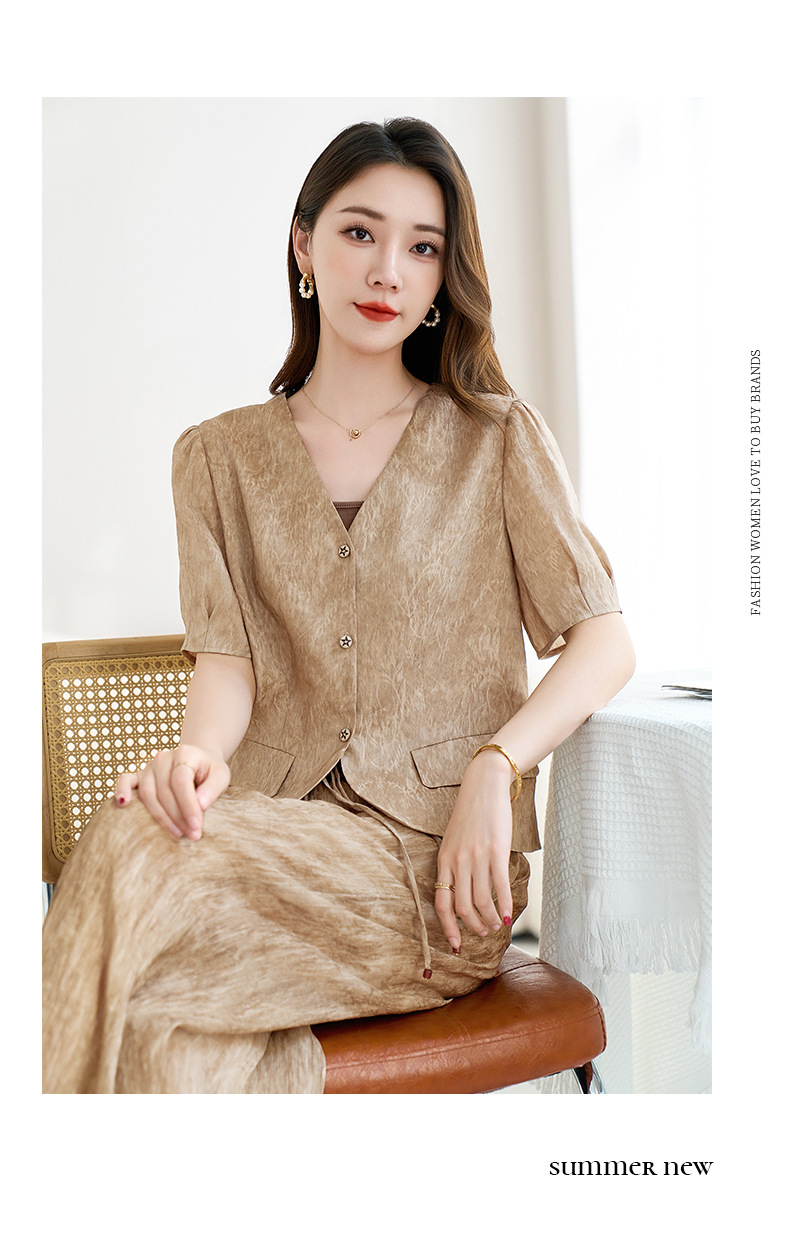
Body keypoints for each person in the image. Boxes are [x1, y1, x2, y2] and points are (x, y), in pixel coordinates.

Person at [42, 117, 635, 1094]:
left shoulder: (496, 439)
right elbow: (227, 660)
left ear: (442, 278)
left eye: (423, 247)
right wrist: (198, 754)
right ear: (304, 244)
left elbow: (604, 640)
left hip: (437, 888)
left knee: (133, 850)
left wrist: (496, 766)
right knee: (158, 1030)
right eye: (360, 232)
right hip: (267, 852)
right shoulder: (215, 458)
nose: (387, 270)